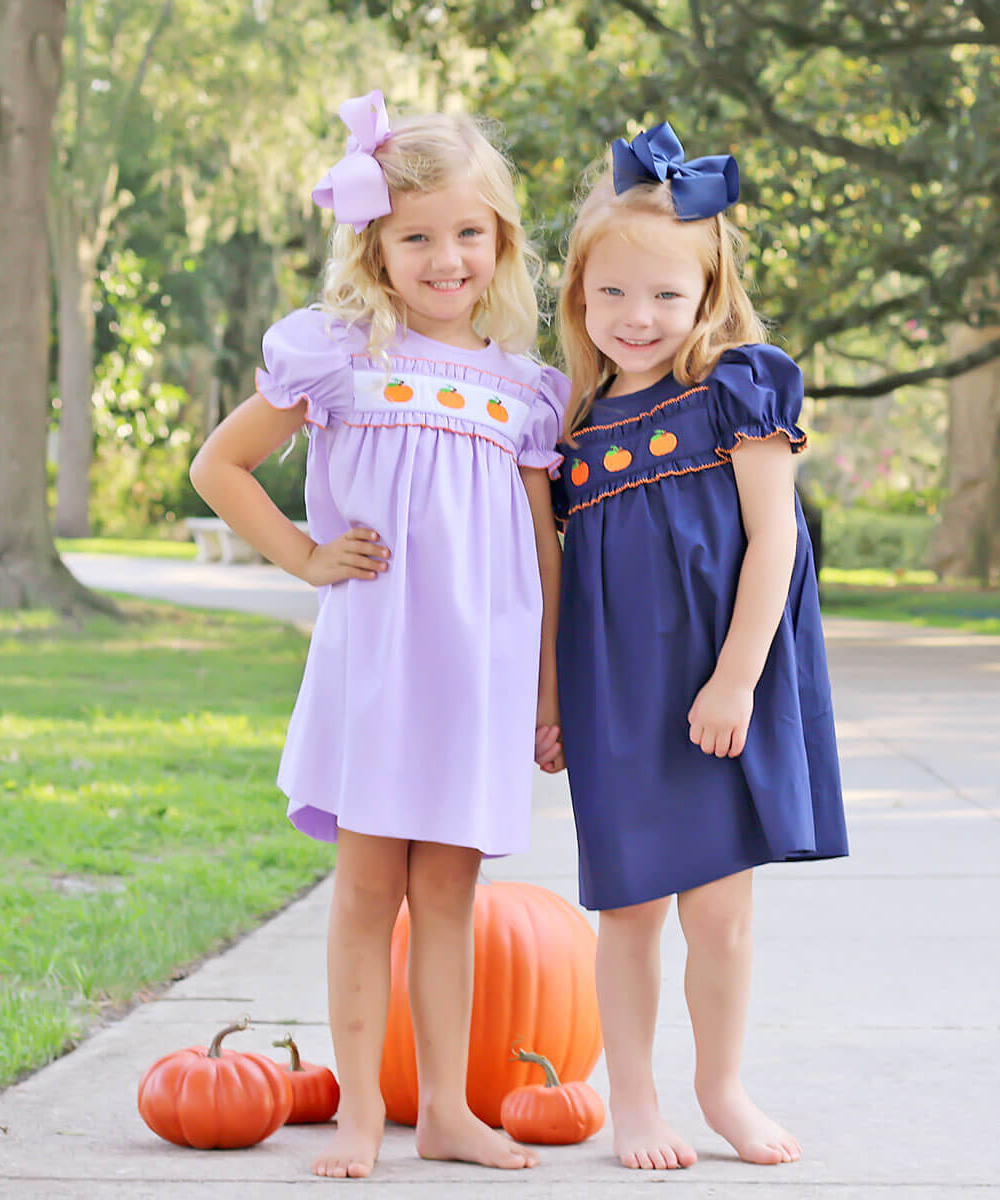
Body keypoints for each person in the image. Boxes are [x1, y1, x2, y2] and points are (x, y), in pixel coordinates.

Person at [189, 89, 567, 1179]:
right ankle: (362, 1112)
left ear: (500, 242)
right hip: (377, 666)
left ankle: (445, 1110)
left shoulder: (524, 392)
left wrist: (548, 689)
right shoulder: (339, 357)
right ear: (375, 247)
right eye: (416, 237)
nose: (446, 259)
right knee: (365, 891)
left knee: (449, 895)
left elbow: (544, 555)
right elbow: (220, 466)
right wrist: (307, 556)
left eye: (468, 233)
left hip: (479, 672)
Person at [552, 122, 848, 1171]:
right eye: (611, 294)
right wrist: (550, 702)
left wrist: (735, 678)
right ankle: (632, 1103)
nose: (636, 317)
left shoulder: (736, 389)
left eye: (665, 295)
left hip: (720, 686)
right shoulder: (573, 422)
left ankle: (720, 1088)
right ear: (579, 297)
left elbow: (777, 541)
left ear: (709, 293)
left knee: (719, 914)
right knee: (628, 911)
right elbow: (553, 576)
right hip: (618, 694)